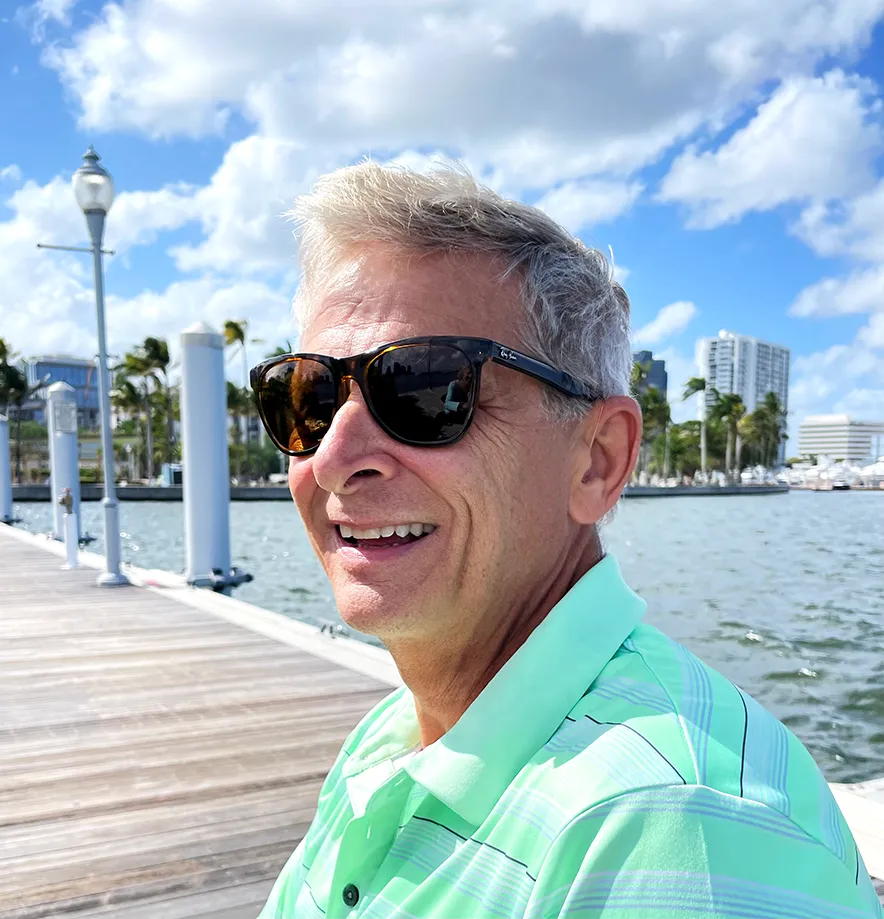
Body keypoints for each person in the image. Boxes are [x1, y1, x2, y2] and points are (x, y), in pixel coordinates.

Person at [252, 163, 881, 918]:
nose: (332, 458)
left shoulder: (675, 826)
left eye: (422, 388)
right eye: (307, 397)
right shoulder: (398, 732)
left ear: (598, 459)